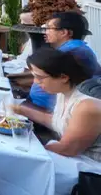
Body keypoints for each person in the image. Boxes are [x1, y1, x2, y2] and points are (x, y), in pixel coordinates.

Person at [12, 47, 101, 193]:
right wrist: (20, 109)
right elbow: (56, 121)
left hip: (91, 172)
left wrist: (30, 147)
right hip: (74, 159)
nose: (36, 82)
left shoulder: (86, 106)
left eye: (40, 78)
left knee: (24, 166)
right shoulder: (64, 94)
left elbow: (68, 149)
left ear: (63, 77)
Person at [27, 12, 101, 110]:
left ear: (65, 32)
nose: (46, 32)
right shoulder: (73, 48)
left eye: (49, 28)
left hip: (49, 111)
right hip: (42, 106)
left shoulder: (74, 51)